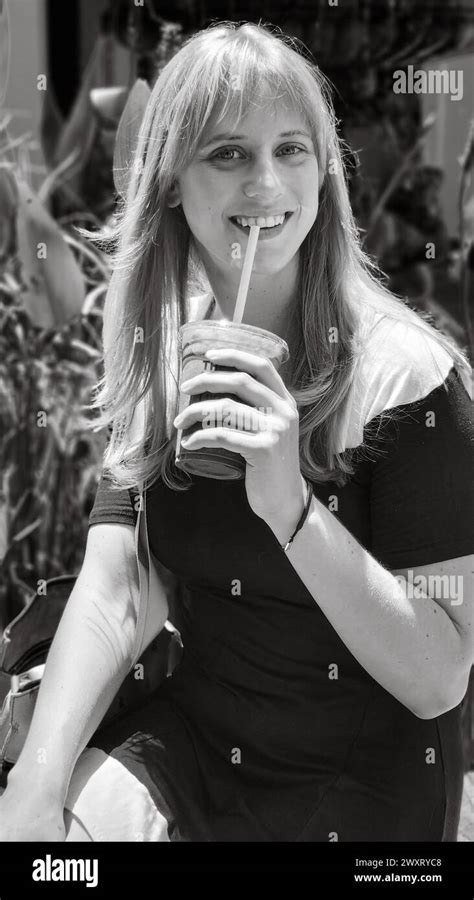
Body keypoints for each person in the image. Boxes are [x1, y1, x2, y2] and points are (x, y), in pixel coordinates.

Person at [1, 21, 472, 843]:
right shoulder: (165, 352)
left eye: (292, 150)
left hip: (359, 786)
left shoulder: (406, 378)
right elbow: (117, 589)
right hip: (197, 745)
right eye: (227, 153)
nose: (266, 182)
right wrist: (33, 793)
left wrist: (292, 508)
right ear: (171, 183)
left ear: (323, 174)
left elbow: (440, 677)